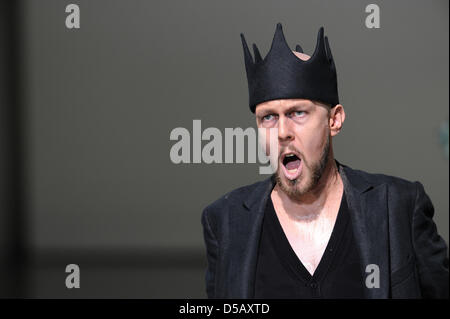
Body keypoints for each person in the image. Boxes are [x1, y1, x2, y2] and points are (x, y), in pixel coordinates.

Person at [201, 23, 448, 298]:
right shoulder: (226, 221)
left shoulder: (398, 207)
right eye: (267, 117)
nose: (282, 132)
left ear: (334, 120)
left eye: (298, 113)